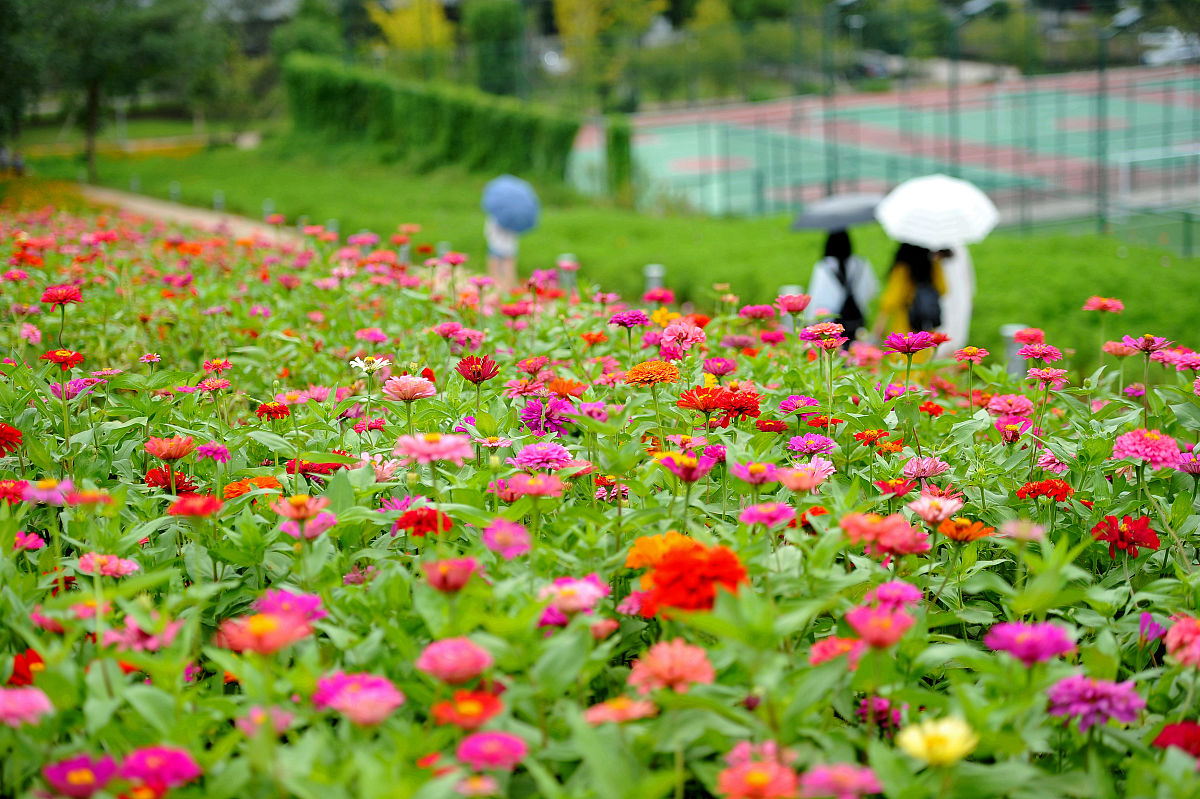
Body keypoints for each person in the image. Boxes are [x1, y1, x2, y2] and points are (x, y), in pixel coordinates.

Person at [804, 229, 878, 341]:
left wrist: (810, 323)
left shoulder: (823, 266)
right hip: (857, 319)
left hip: (831, 322)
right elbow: (871, 290)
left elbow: (816, 297)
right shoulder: (861, 263)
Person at [871, 243, 946, 343]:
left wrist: (880, 325)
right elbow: (943, 289)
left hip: (904, 323)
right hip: (925, 324)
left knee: (903, 354)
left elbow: (891, 299)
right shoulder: (932, 265)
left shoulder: (902, 267)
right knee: (924, 354)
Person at [935, 245, 975, 358]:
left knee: (955, 339)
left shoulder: (959, 246)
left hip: (958, 298)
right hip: (941, 300)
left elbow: (967, 276)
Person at [484, 214, 520, 294]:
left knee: (494, 273)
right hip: (510, 249)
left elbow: (488, 233)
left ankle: (496, 292)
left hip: (495, 247)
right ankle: (508, 291)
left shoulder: (494, 218)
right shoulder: (514, 219)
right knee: (509, 272)